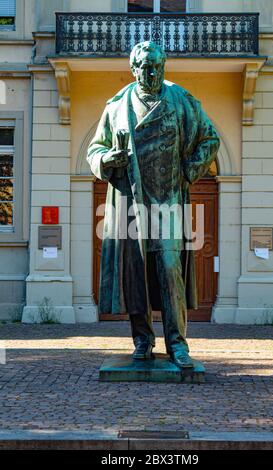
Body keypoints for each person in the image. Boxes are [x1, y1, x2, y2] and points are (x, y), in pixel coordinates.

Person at [87, 41, 220, 368]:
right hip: (132, 203)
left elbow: (210, 138)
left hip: (169, 204)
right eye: (145, 67)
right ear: (133, 69)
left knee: (170, 271)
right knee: (136, 276)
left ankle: (177, 344)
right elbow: (94, 150)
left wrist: (190, 171)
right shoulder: (117, 106)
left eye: (157, 66)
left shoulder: (182, 101)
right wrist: (108, 159)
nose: (152, 72)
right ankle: (143, 341)